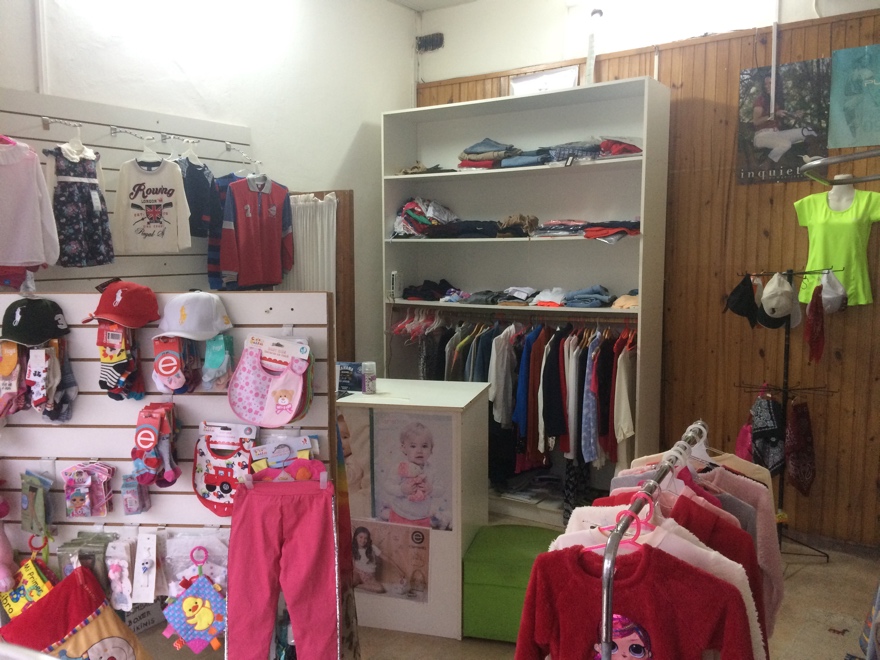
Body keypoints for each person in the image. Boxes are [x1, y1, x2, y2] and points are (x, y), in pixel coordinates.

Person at [382, 421, 443, 528]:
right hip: (399, 513)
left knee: (420, 537)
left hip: (422, 517)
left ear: (431, 449)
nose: (419, 451)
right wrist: (402, 489)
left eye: (424, 446)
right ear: (404, 448)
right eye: (413, 446)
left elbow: (441, 490)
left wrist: (431, 489)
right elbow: (388, 486)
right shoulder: (400, 467)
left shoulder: (432, 470)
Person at [752, 70, 817, 163]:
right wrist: (774, 114)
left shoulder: (777, 100)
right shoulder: (760, 100)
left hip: (777, 134)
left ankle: (816, 158)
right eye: (765, 84)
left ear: (777, 85)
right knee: (785, 144)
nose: (767, 86)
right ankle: (766, 165)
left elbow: (783, 114)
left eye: (770, 83)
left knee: (808, 131)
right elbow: (756, 122)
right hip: (761, 137)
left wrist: (795, 115)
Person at [351, 526, 391, 593]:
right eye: (360, 537)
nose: (363, 540)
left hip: (369, 576)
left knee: (380, 589)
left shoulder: (372, 547)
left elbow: (386, 558)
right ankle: (354, 583)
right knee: (350, 581)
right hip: (358, 573)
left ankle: (358, 586)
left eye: (365, 538)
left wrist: (399, 570)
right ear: (356, 537)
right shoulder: (353, 547)